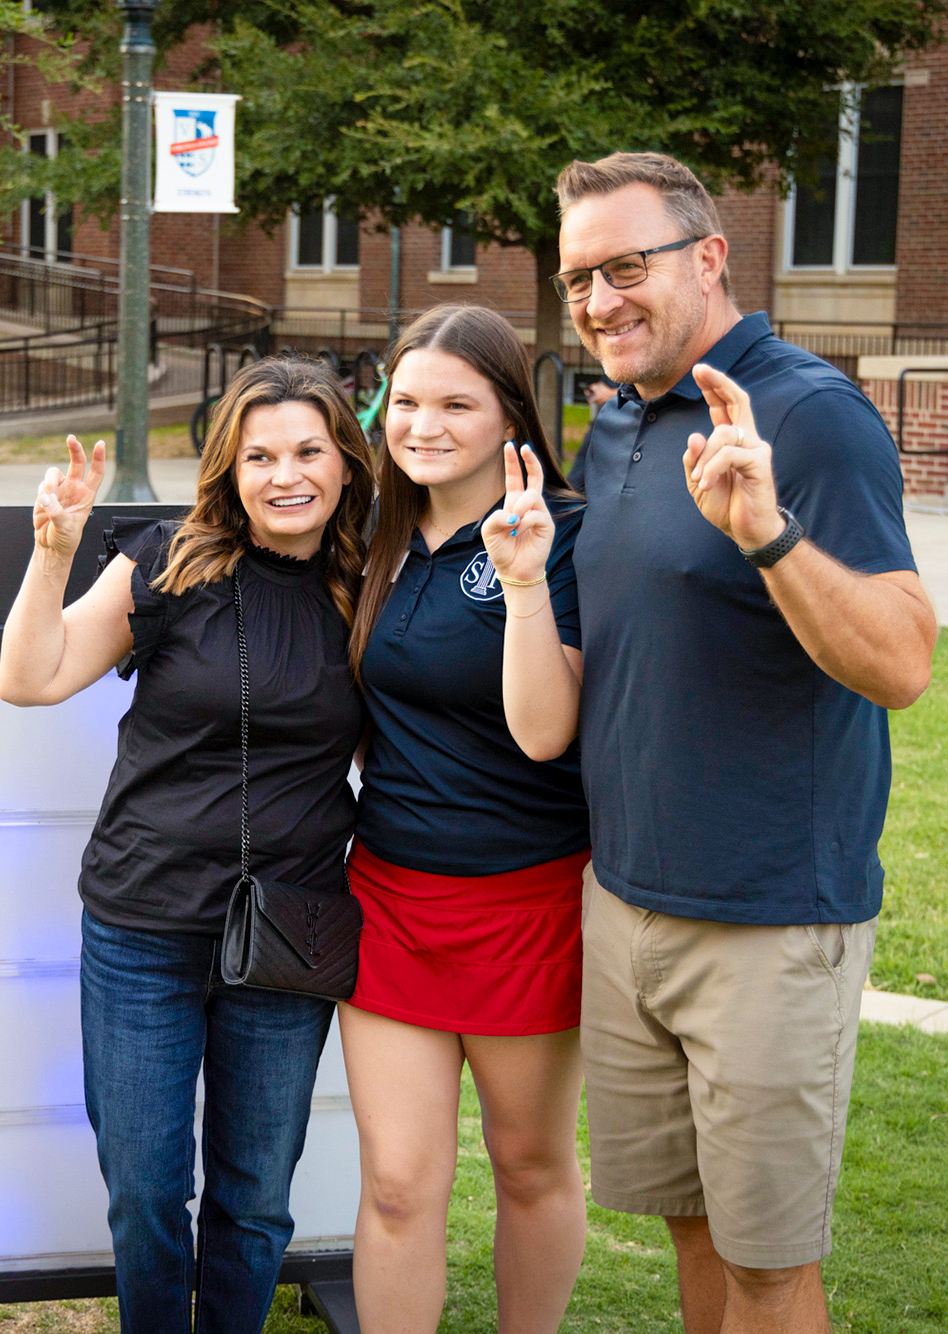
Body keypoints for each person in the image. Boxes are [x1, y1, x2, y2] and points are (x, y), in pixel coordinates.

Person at [555, 151, 938, 1334]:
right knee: (692, 1226)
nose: (599, 300)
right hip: (624, 905)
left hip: (770, 917)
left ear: (708, 257)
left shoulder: (809, 414)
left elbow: (902, 660)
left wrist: (767, 534)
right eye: (577, 279)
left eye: (626, 266)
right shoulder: (612, 424)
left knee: (768, 1263)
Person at [0, 356, 378, 1334]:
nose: (283, 474)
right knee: (145, 1193)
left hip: (286, 933)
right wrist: (53, 550)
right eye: (259, 454)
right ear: (228, 466)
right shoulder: (168, 562)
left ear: (343, 461)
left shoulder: (367, 587)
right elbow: (31, 677)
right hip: (143, 927)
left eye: (306, 450)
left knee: (253, 1202)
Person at [341, 304, 590, 1334]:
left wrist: (523, 581)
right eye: (405, 400)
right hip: (389, 898)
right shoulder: (375, 534)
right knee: (397, 1181)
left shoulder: (564, 534)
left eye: (454, 401)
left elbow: (544, 733)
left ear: (508, 416)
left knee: (526, 1162)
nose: (422, 423)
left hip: (525, 898)